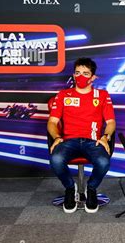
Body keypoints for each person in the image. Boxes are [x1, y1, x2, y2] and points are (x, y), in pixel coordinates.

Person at [48, 58, 116, 213]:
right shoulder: (64, 95)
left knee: (103, 162)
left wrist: (105, 136)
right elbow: (52, 122)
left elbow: (111, 122)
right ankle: (70, 189)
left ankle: (91, 189)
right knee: (56, 159)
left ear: (93, 77)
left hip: (93, 141)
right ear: (73, 75)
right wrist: (57, 137)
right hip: (68, 141)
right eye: (77, 73)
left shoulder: (102, 95)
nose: (81, 77)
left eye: (85, 73)